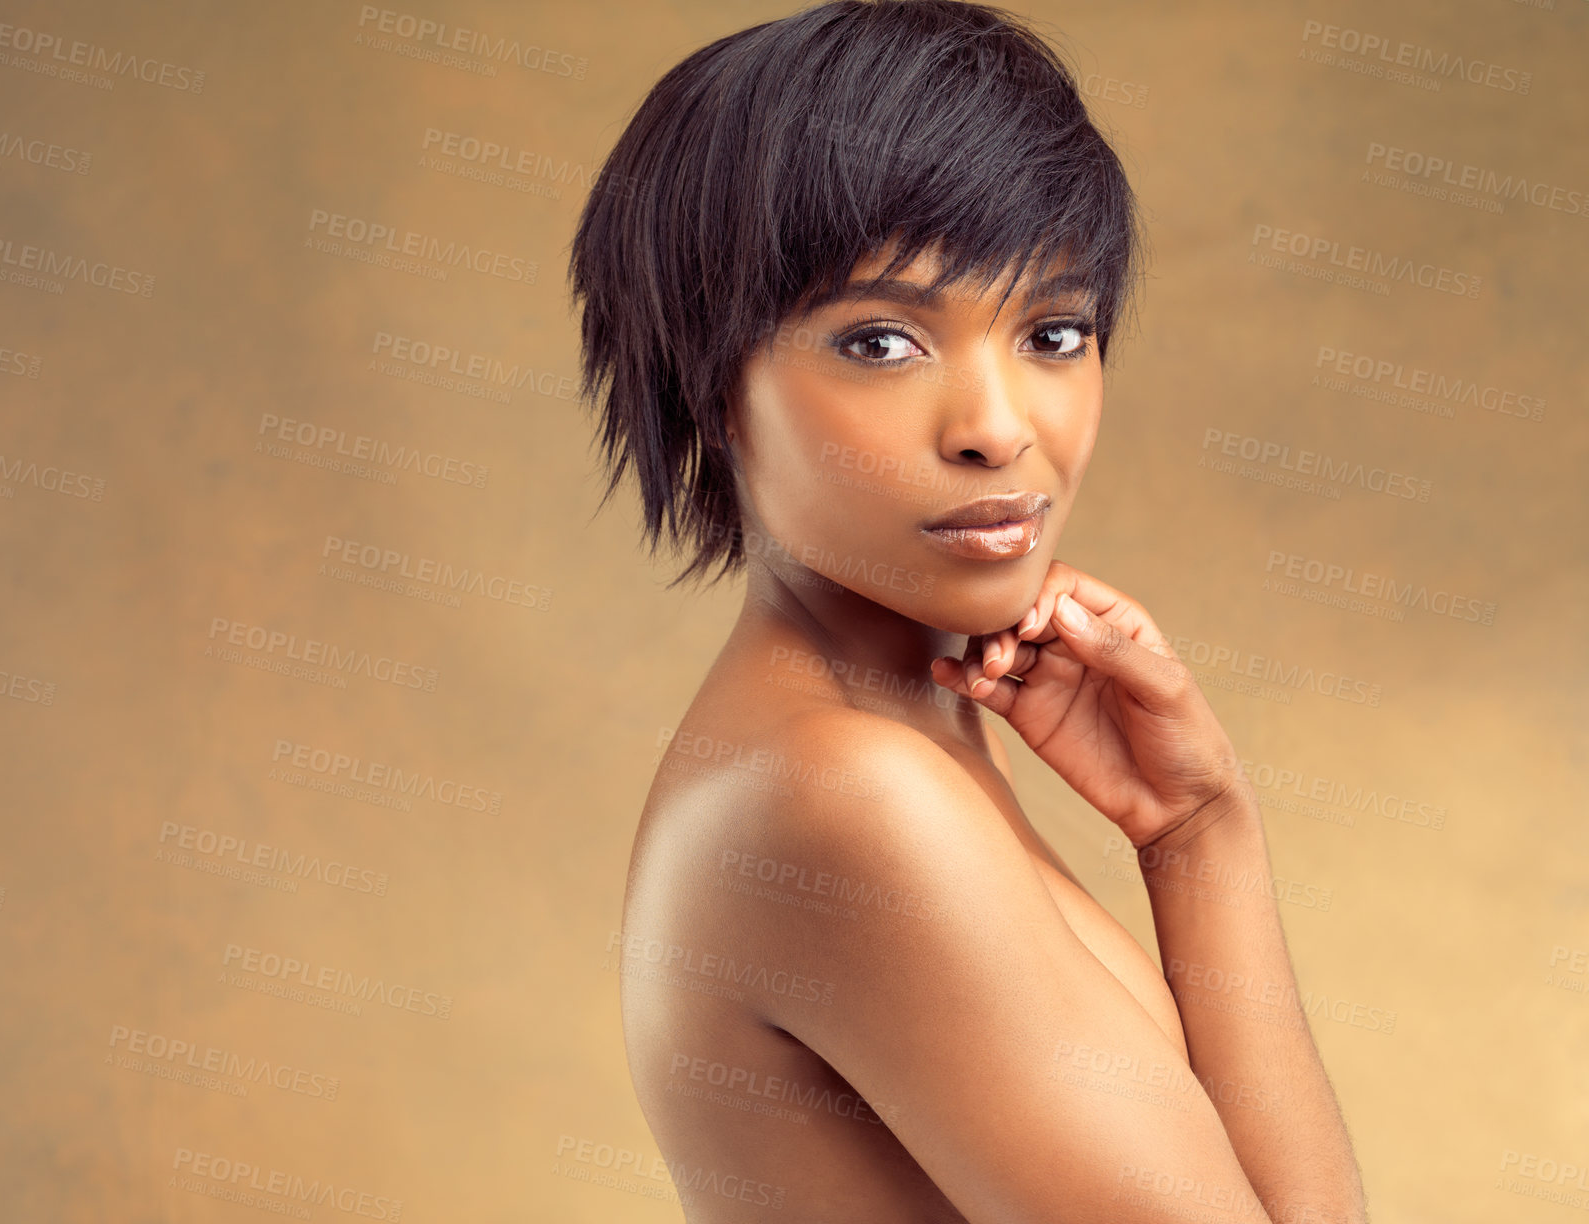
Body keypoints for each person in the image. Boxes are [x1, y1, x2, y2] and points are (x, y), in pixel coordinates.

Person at [568, 2, 1369, 1220]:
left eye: (1054, 331)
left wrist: (1199, 831)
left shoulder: (898, 736)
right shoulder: (846, 798)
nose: (997, 428)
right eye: (882, 343)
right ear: (711, 385)